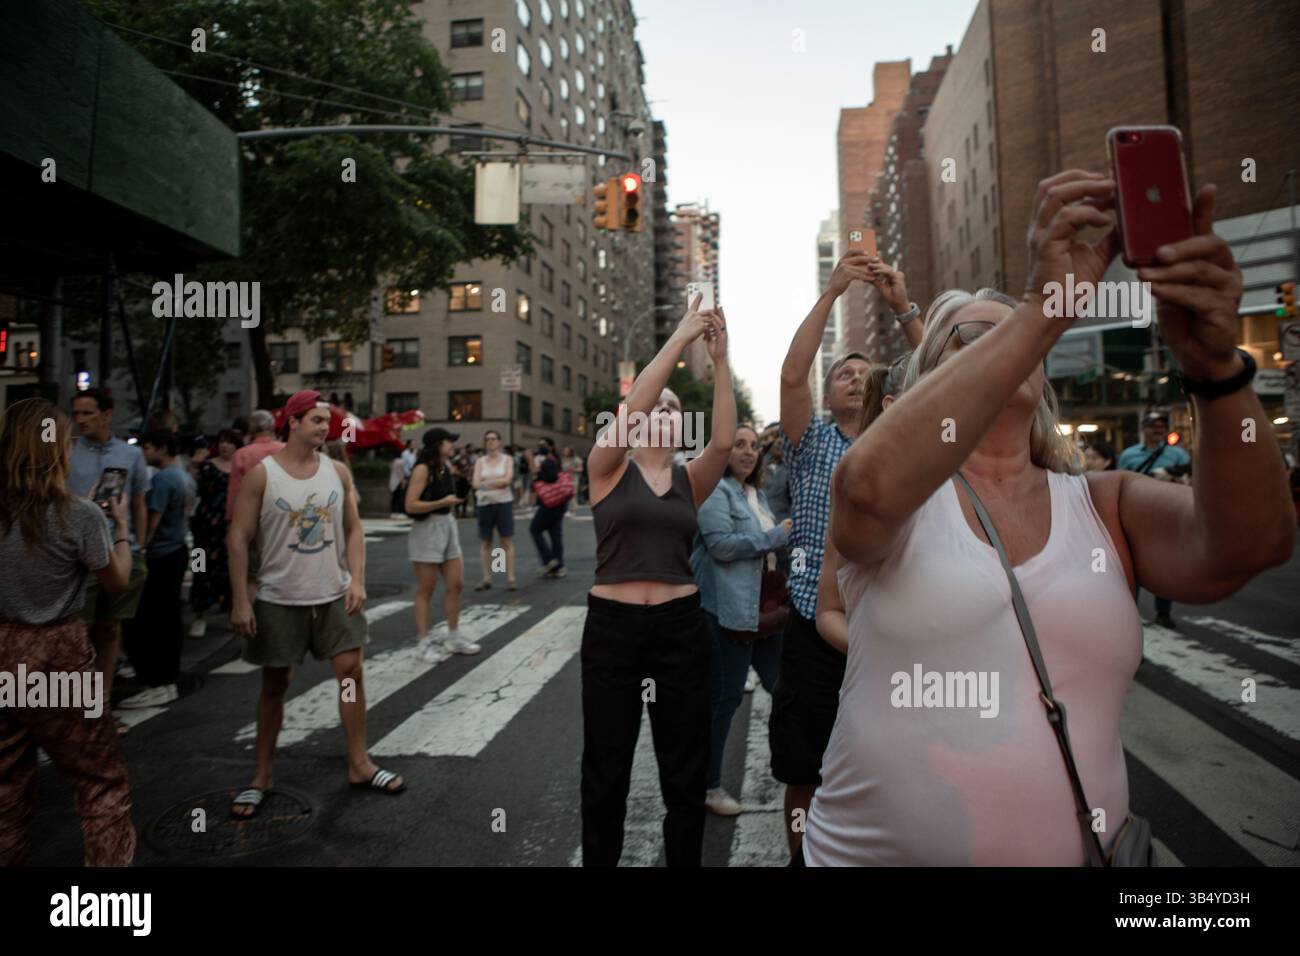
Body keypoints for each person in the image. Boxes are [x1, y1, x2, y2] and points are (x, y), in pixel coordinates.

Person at [803, 172, 1294, 866]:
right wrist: (1044, 305)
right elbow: (866, 489)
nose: (996, 353)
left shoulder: (1103, 503)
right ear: (923, 385)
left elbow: (1253, 543)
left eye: (1011, 343)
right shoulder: (901, 500)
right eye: (964, 341)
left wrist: (1215, 366)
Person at [772, 254, 923, 857]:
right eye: (843, 374)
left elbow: (946, 373)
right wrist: (833, 291)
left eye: (865, 371)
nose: (856, 377)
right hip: (813, 627)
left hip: (891, 624)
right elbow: (790, 375)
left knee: (897, 761)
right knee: (803, 766)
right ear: (827, 396)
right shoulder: (811, 443)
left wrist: (904, 308)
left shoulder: (905, 439)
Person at [581, 294, 734, 867]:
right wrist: (680, 338)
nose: (664, 411)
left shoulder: (690, 479)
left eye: (674, 408)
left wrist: (720, 361)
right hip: (613, 632)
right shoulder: (606, 468)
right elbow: (637, 401)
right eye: (656, 405)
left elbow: (722, 443)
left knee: (683, 770)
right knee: (606, 767)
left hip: (679, 631)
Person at [226, 390, 405, 818]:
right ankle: (261, 776)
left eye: (327, 421)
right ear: (292, 422)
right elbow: (237, 537)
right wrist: (239, 601)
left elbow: (355, 528)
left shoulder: (338, 471)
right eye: (316, 421)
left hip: (333, 594)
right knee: (276, 683)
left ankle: (359, 763)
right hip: (279, 597)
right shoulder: (263, 475)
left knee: (350, 673)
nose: (325, 427)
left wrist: (357, 579)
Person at [0, 399, 136, 866]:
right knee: (98, 781)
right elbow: (117, 583)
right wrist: (119, 528)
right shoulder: (80, 515)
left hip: (2, 651)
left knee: (8, 790)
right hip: (59, 653)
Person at [690, 424, 792, 816]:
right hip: (728, 613)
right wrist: (776, 538)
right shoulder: (715, 492)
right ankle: (709, 785)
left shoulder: (757, 493)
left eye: (753, 446)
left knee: (783, 689)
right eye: (739, 445)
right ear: (722, 451)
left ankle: (800, 772)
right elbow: (722, 547)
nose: (749, 452)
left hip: (763, 612)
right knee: (725, 699)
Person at [68, 388, 150, 714]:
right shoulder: (69, 451)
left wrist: (138, 541)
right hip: (78, 551)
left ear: (107, 414)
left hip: (118, 547)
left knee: (111, 625)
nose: (80, 420)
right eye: (76, 414)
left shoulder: (132, 455)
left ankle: (101, 701)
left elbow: (141, 502)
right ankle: (76, 701)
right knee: (78, 628)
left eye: (87, 413)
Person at [118, 431, 192, 709]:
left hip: (161, 554)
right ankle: (166, 680)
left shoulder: (163, 479)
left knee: (149, 620)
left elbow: (151, 520)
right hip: (178, 549)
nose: (143, 452)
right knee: (168, 618)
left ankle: (156, 680)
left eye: (147, 446)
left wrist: (139, 547)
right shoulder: (183, 475)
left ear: (162, 448)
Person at [1118, 411, 1192, 627]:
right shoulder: (1129, 455)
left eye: (1161, 425)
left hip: (1166, 515)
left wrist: (1172, 475)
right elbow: (1119, 484)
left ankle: (1163, 612)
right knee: (1133, 566)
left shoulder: (1178, 455)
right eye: (1152, 425)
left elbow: (1188, 479)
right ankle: (1130, 613)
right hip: (1136, 516)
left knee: (1165, 565)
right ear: (1144, 428)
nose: (1157, 429)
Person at [406, 427, 473, 662]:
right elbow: (410, 505)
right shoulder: (422, 469)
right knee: (427, 588)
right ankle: (424, 642)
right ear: (436, 444)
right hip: (428, 529)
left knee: (456, 584)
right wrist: (441, 502)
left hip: (448, 525)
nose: (452, 445)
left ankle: (453, 636)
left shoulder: (445, 467)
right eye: (448, 441)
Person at [188, 429, 239, 638]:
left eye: (229, 442)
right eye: (221, 442)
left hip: (229, 525)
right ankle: (199, 614)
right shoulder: (207, 465)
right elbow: (193, 489)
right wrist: (194, 467)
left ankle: (230, 612)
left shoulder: (240, 467)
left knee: (229, 570)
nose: (224, 446)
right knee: (199, 567)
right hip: (204, 525)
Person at [471, 430, 517, 591]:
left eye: (493, 439)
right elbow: (475, 484)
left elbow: (507, 481)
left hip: (503, 502)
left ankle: (510, 578)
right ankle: (486, 578)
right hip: (484, 504)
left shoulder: (507, 459)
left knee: (505, 540)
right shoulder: (480, 461)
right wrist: (494, 483)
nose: (490, 442)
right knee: (486, 541)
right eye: (487, 439)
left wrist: (486, 483)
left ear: (499, 442)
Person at [226, 409, 282, 523]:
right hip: (282, 513)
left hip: (252, 515)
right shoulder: (287, 449)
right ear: (272, 426)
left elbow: (235, 489)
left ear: (251, 428)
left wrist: (230, 517)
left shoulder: (241, 454)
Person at [531, 456, 573, 578]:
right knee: (555, 534)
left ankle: (548, 560)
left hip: (547, 506)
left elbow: (538, 483)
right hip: (561, 505)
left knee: (535, 530)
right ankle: (559, 566)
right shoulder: (558, 470)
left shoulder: (542, 472)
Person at [388, 451, 407, 518]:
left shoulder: (393, 461)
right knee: (400, 497)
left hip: (393, 481)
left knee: (394, 498)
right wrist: (403, 481)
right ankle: (399, 512)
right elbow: (400, 472)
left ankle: (393, 512)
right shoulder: (400, 461)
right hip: (399, 481)